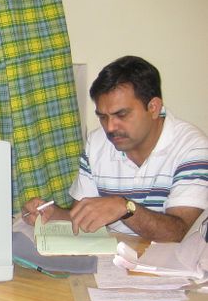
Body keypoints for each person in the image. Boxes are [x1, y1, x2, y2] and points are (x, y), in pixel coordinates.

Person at [23, 55, 208, 242]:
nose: (110, 127)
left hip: (171, 265)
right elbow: (82, 216)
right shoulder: (97, 142)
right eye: (103, 117)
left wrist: (125, 208)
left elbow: (181, 232)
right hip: (113, 259)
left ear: (153, 107)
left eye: (122, 114)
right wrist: (51, 214)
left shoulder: (192, 148)